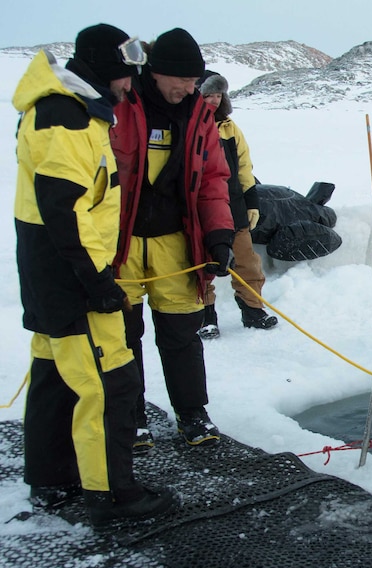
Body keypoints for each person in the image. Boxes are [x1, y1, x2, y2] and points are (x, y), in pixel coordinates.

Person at [13, 23, 179, 529]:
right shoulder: (64, 118)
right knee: (112, 384)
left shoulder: (73, 113)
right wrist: (98, 285)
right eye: (127, 75)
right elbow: (65, 211)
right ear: (106, 70)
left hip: (52, 275)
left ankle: (52, 478)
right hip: (71, 278)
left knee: (56, 378)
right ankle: (113, 496)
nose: (131, 85)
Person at [111, 28, 234, 451]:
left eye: (193, 81)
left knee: (182, 332)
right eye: (182, 80)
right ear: (158, 72)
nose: (189, 88)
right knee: (122, 333)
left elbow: (214, 181)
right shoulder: (123, 105)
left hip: (174, 243)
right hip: (120, 242)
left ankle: (192, 413)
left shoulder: (200, 115)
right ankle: (131, 416)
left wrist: (219, 236)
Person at [196, 70, 278, 339]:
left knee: (247, 263)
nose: (213, 100)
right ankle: (205, 316)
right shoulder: (188, 127)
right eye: (207, 95)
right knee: (201, 265)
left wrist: (251, 200)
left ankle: (253, 310)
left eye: (218, 95)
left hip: (233, 207)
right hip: (199, 210)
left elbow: (244, 166)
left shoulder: (230, 128)